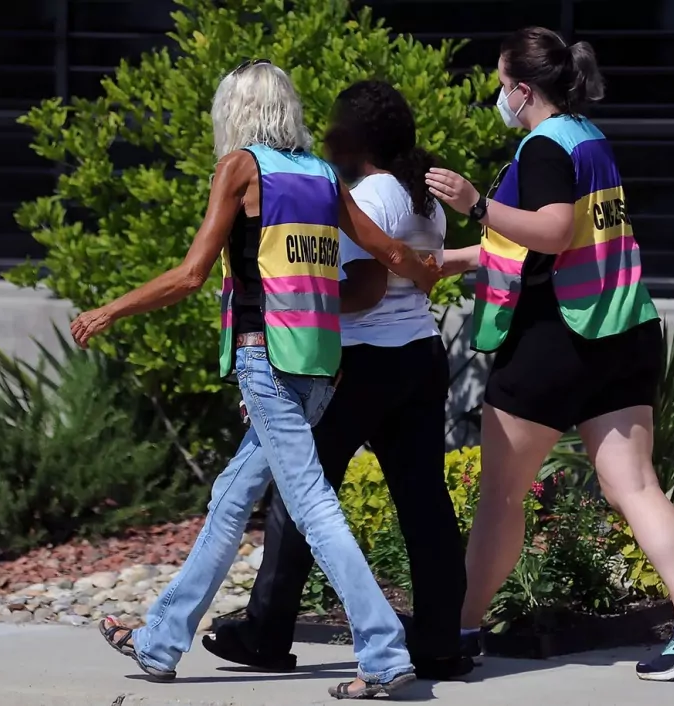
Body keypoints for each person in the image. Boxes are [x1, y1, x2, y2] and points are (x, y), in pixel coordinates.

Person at [70, 60, 441, 699]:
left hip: (265, 359)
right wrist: (430, 270)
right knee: (230, 498)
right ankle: (160, 640)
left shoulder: (241, 167)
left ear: (237, 111)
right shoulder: (322, 174)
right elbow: (389, 253)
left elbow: (192, 274)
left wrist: (109, 310)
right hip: (319, 366)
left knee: (313, 505)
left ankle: (383, 653)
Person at [424, 27, 674, 682]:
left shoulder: (542, 146)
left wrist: (476, 205)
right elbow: (551, 241)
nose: (498, 96)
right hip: (622, 331)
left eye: (501, 84)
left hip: (555, 339)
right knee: (636, 486)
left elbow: (553, 229)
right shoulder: (588, 138)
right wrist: (457, 259)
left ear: (522, 88)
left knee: (501, 497)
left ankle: (459, 632)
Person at [204, 80, 471, 681]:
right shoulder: (420, 194)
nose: (324, 137)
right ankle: (439, 643)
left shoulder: (371, 193)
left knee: (300, 495)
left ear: (356, 136)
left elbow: (368, 288)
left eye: (334, 126)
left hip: (364, 363)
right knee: (425, 504)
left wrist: (292, 303)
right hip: (419, 355)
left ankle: (266, 633)